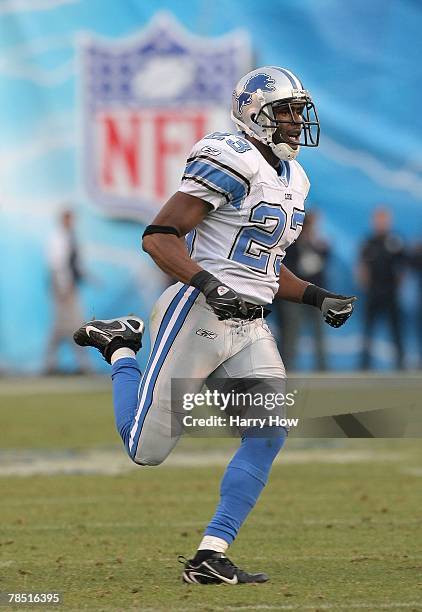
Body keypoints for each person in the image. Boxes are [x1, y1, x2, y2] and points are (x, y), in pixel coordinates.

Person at [73, 67, 356, 584]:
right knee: (146, 451)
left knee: (269, 431)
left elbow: (264, 266)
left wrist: (316, 296)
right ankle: (120, 349)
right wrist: (208, 285)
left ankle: (210, 554)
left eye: (298, 111)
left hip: (250, 325)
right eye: (286, 111)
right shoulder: (231, 158)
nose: (297, 122)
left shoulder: (296, 179)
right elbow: (159, 236)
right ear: (255, 115)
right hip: (199, 313)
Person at [274, 209, 331, 370]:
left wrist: (314, 241)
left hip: (316, 292)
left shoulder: (319, 240)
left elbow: (325, 255)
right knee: (291, 331)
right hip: (295, 293)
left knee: (319, 332)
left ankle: (322, 367)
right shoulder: (291, 240)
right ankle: (287, 366)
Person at [357, 208, 405, 370]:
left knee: (396, 329)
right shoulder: (368, 241)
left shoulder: (396, 241)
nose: (381, 223)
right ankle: (365, 364)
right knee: (368, 329)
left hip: (390, 291)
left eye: (384, 219)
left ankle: (400, 363)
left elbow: (402, 267)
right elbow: (361, 266)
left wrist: (397, 286)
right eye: (378, 219)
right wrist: (365, 285)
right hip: (373, 291)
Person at [45, 209, 91, 374]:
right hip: (63, 286)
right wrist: (64, 286)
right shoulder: (58, 237)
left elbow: (74, 264)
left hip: (67, 285)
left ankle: (51, 363)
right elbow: (58, 264)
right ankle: (82, 365)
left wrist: (88, 277)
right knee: (73, 324)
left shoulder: (70, 236)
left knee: (62, 327)